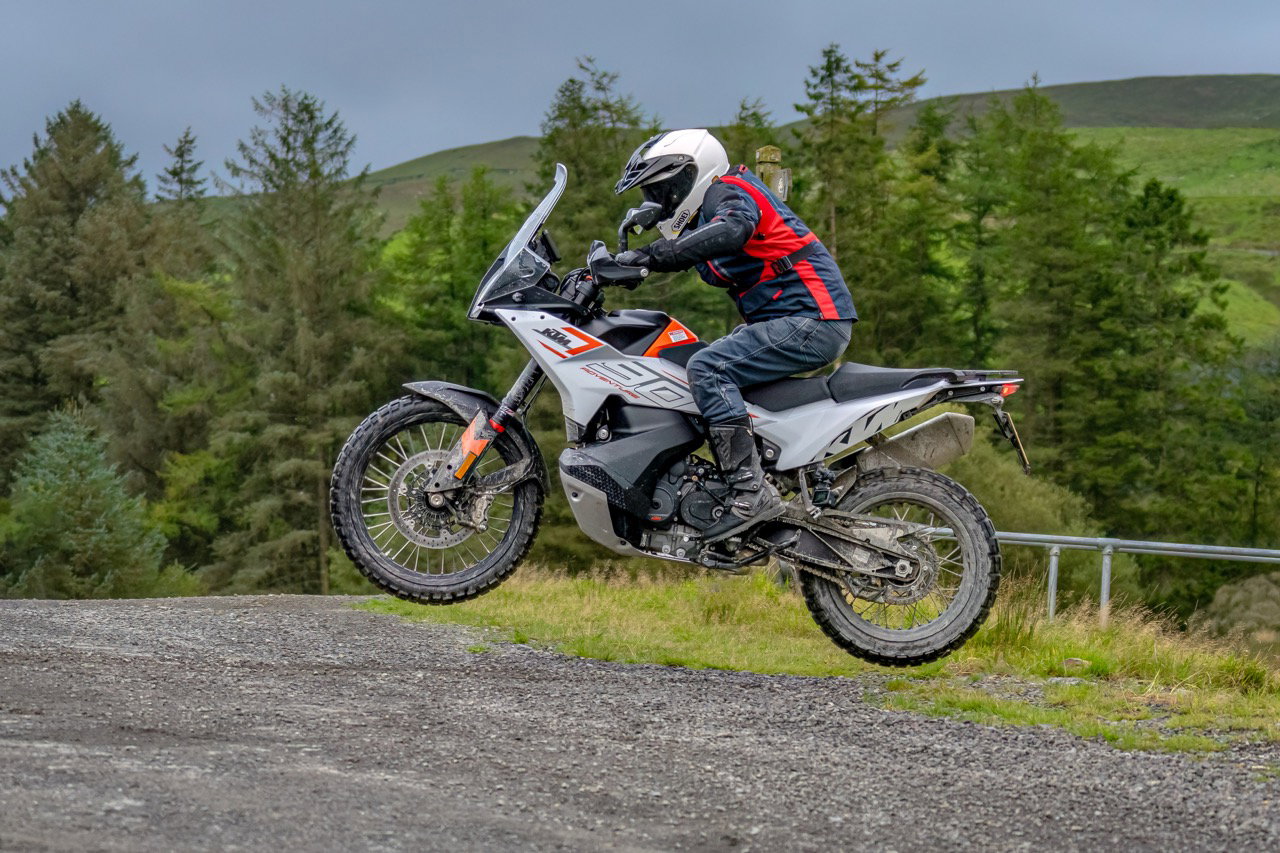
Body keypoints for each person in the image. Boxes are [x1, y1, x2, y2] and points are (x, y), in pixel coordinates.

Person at [614, 129, 856, 542]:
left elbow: (734, 229)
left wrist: (652, 255)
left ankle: (748, 493)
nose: (657, 201)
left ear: (690, 175)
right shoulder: (711, 209)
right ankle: (799, 475)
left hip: (813, 317)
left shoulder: (728, 191)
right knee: (695, 359)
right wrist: (633, 256)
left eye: (660, 191)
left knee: (708, 368)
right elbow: (698, 244)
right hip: (797, 319)